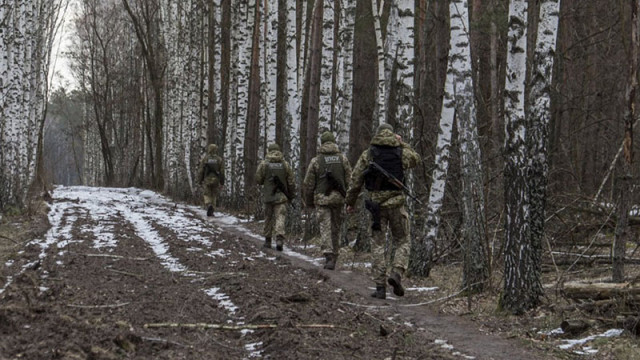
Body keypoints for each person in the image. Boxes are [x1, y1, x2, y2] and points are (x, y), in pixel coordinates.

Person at [345, 123, 420, 299]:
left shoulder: (368, 154)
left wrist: (350, 201)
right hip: (396, 204)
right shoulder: (401, 152)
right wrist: (402, 144)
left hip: (375, 207)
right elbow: (416, 158)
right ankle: (397, 272)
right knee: (402, 240)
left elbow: (356, 179)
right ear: (392, 135)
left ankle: (380, 287)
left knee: (378, 245)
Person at [302, 131, 352, 270]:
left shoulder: (316, 161)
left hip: (322, 199)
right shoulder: (342, 159)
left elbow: (308, 184)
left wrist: (309, 201)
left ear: (322, 143)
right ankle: (335, 255)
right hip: (339, 199)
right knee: (336, 228)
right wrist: (350, 199)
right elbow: (350, 180)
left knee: (325, 228)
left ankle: (329, 255)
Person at [256, 143, 296, 251]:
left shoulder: (264, 164)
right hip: (281, 197)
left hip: (268, 196)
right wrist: (291, 195)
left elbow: (258, 180)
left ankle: (267, 241)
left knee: (268, 218)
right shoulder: (285, 164)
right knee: (280, 218)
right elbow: (291, 182)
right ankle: (279, 239)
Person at [198, 144, 225, 217]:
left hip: (207, 179)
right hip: (216, 180)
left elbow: (201, 171)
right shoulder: (219, 159)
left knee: (207, 194)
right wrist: (222, 182)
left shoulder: (205, 159)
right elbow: (222, 172)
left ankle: (208, 204)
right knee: (214, 195)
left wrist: (200, 180)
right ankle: (212, 209)